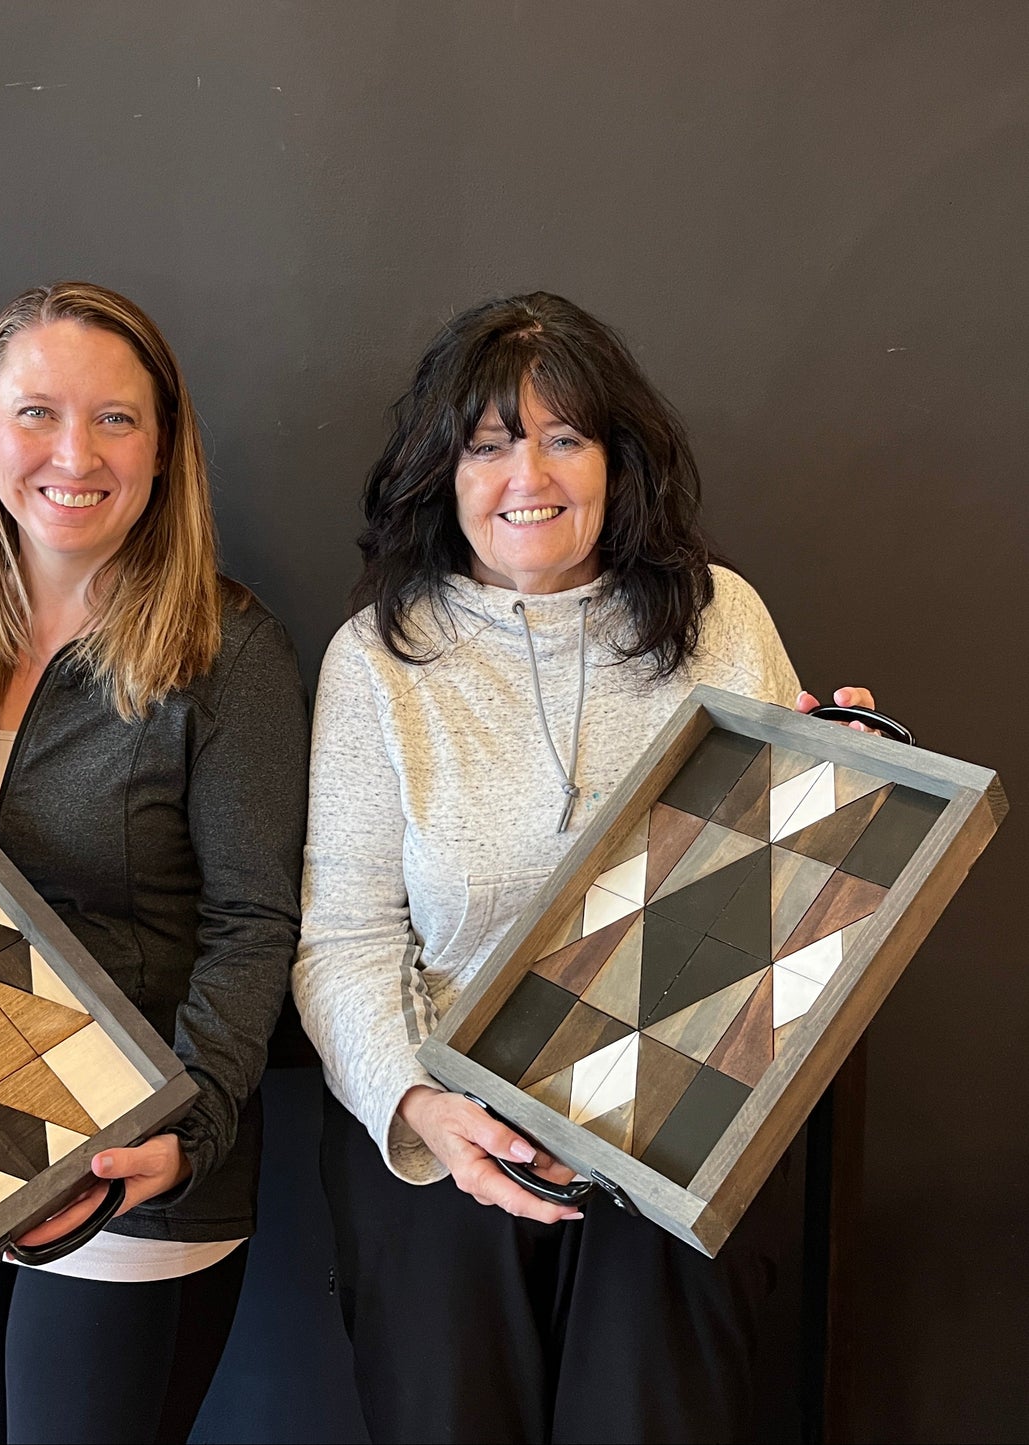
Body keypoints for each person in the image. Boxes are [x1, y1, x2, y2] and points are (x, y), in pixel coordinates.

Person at [292, 291, 876, 1443]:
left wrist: (849, 796)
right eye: (490, 441)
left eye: (564, 436)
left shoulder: (716, 618)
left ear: (617, 461)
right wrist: (417, 1105)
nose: (530, 473)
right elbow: (343, 938)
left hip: (679, 1122)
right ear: (441, 471)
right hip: (453, 1126)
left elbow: (783, 899)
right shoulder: (376, 657)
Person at [0, 281, 308, 1445]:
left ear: (164, 445)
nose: (73, 452)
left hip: (127, 1157)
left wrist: (186, 1130)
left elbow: (252, 921)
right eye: (36, 412)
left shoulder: (227, 651)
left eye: (116, 418)